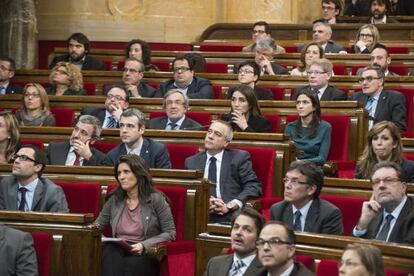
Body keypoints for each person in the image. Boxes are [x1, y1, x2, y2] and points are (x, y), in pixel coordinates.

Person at [95, 154, 176, 276]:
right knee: (109, 251)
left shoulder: (156, 199)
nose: (121, 177)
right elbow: (97, 227)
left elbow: (170, 233)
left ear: (138, 173)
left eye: (126, 172)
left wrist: (143, 245)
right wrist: (98, 236)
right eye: (119, 173)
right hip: (118, 249)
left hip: (143, 252)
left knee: (131, 264)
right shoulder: (114, 199)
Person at [184, 120, 262, 223]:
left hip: (230, 215)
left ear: (226, 142)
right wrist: (205, 202)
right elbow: (187, 191)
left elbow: (254, 186)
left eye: (217, 134)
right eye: (210, 132)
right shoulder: (191, 162)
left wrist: (230, 206)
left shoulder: (238, 158)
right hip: (201, 214)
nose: (210, 136)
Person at [270, 160, 343, 234]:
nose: (287, 186)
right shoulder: (278, 210)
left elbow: (327, 245)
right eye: (286, 180)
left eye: (294, 181)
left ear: (311, 189)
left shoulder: (329, 214)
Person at [353, 161, 414, 244]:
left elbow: (407, 252)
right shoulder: (372, 212)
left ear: (403, 187)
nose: (381, 186)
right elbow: (353, 250)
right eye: (376, 182)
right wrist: (362, 224)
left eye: (388, 180)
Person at [0, 144, 69, 212]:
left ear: (37, 167)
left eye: (23, 158)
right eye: (16, 157)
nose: (16, 161)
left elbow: (60, 221)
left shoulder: (52, 192)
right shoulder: (6, 184)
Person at [204, 207, 265, 276]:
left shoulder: (267, 270)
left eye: (247, 229)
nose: (238, 232)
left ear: (259, 239)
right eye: (236, 227)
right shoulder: (214, 264)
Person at [102, 108, 171, 169]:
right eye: (122, 125)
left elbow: (163, 180)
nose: (124, 130)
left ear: (141, 129)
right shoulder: (112, 156)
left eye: (130, 126)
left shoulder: (158, 151)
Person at [285, 89, 332, 166]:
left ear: (314, 107)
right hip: (293, 167)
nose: (300, 106)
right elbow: (287, 153)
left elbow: (322, 158)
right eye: (298, 103)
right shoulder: (290, 127)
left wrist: (300, 162)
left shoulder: (325, 127)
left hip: (312, 167)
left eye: (305, 102)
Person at [352, 66, 406, 131]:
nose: (364, 83)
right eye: (362, 79)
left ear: (380, 81)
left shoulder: (394, 98)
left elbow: (399, 126)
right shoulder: (357, 97)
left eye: (369, 79)